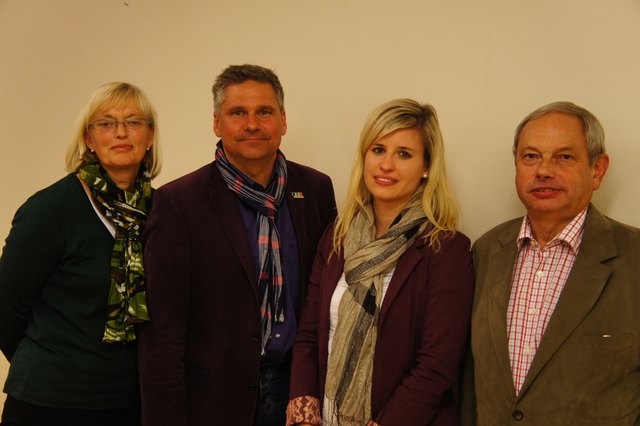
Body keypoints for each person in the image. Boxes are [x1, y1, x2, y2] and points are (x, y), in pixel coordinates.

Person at [138, 64, 337, 426]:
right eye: (237, 113)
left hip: (299, 393)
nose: (252, 124)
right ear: (217, 123)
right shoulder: (179, 204)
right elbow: (161, 336)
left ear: (283, 120)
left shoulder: (316, 190)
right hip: (213, 400)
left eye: (264, 112)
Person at [286, 98, 475, 426]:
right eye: (378, 149)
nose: (386, 164)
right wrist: (305, 413)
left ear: (426, 167)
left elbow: (436, 367)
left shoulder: (446, 250)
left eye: (404, 154)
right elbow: (308, 336)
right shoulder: (338, 236)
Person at [0, 82, 162, 425]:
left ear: (149, 136)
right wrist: (57, 362)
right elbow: (6, 307)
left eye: (134, 122)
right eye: (105, 123)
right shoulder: (50, 209)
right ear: (89, 139)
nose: (120, 132)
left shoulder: (162, 211)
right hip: (49, 403)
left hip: (130, 402)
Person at [468, 101, 640, 424]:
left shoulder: (634, 257)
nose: (544, 170)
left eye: (564, 157)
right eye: (531, 156)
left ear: (597, 169)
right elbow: (467, 381)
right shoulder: (486, 251)